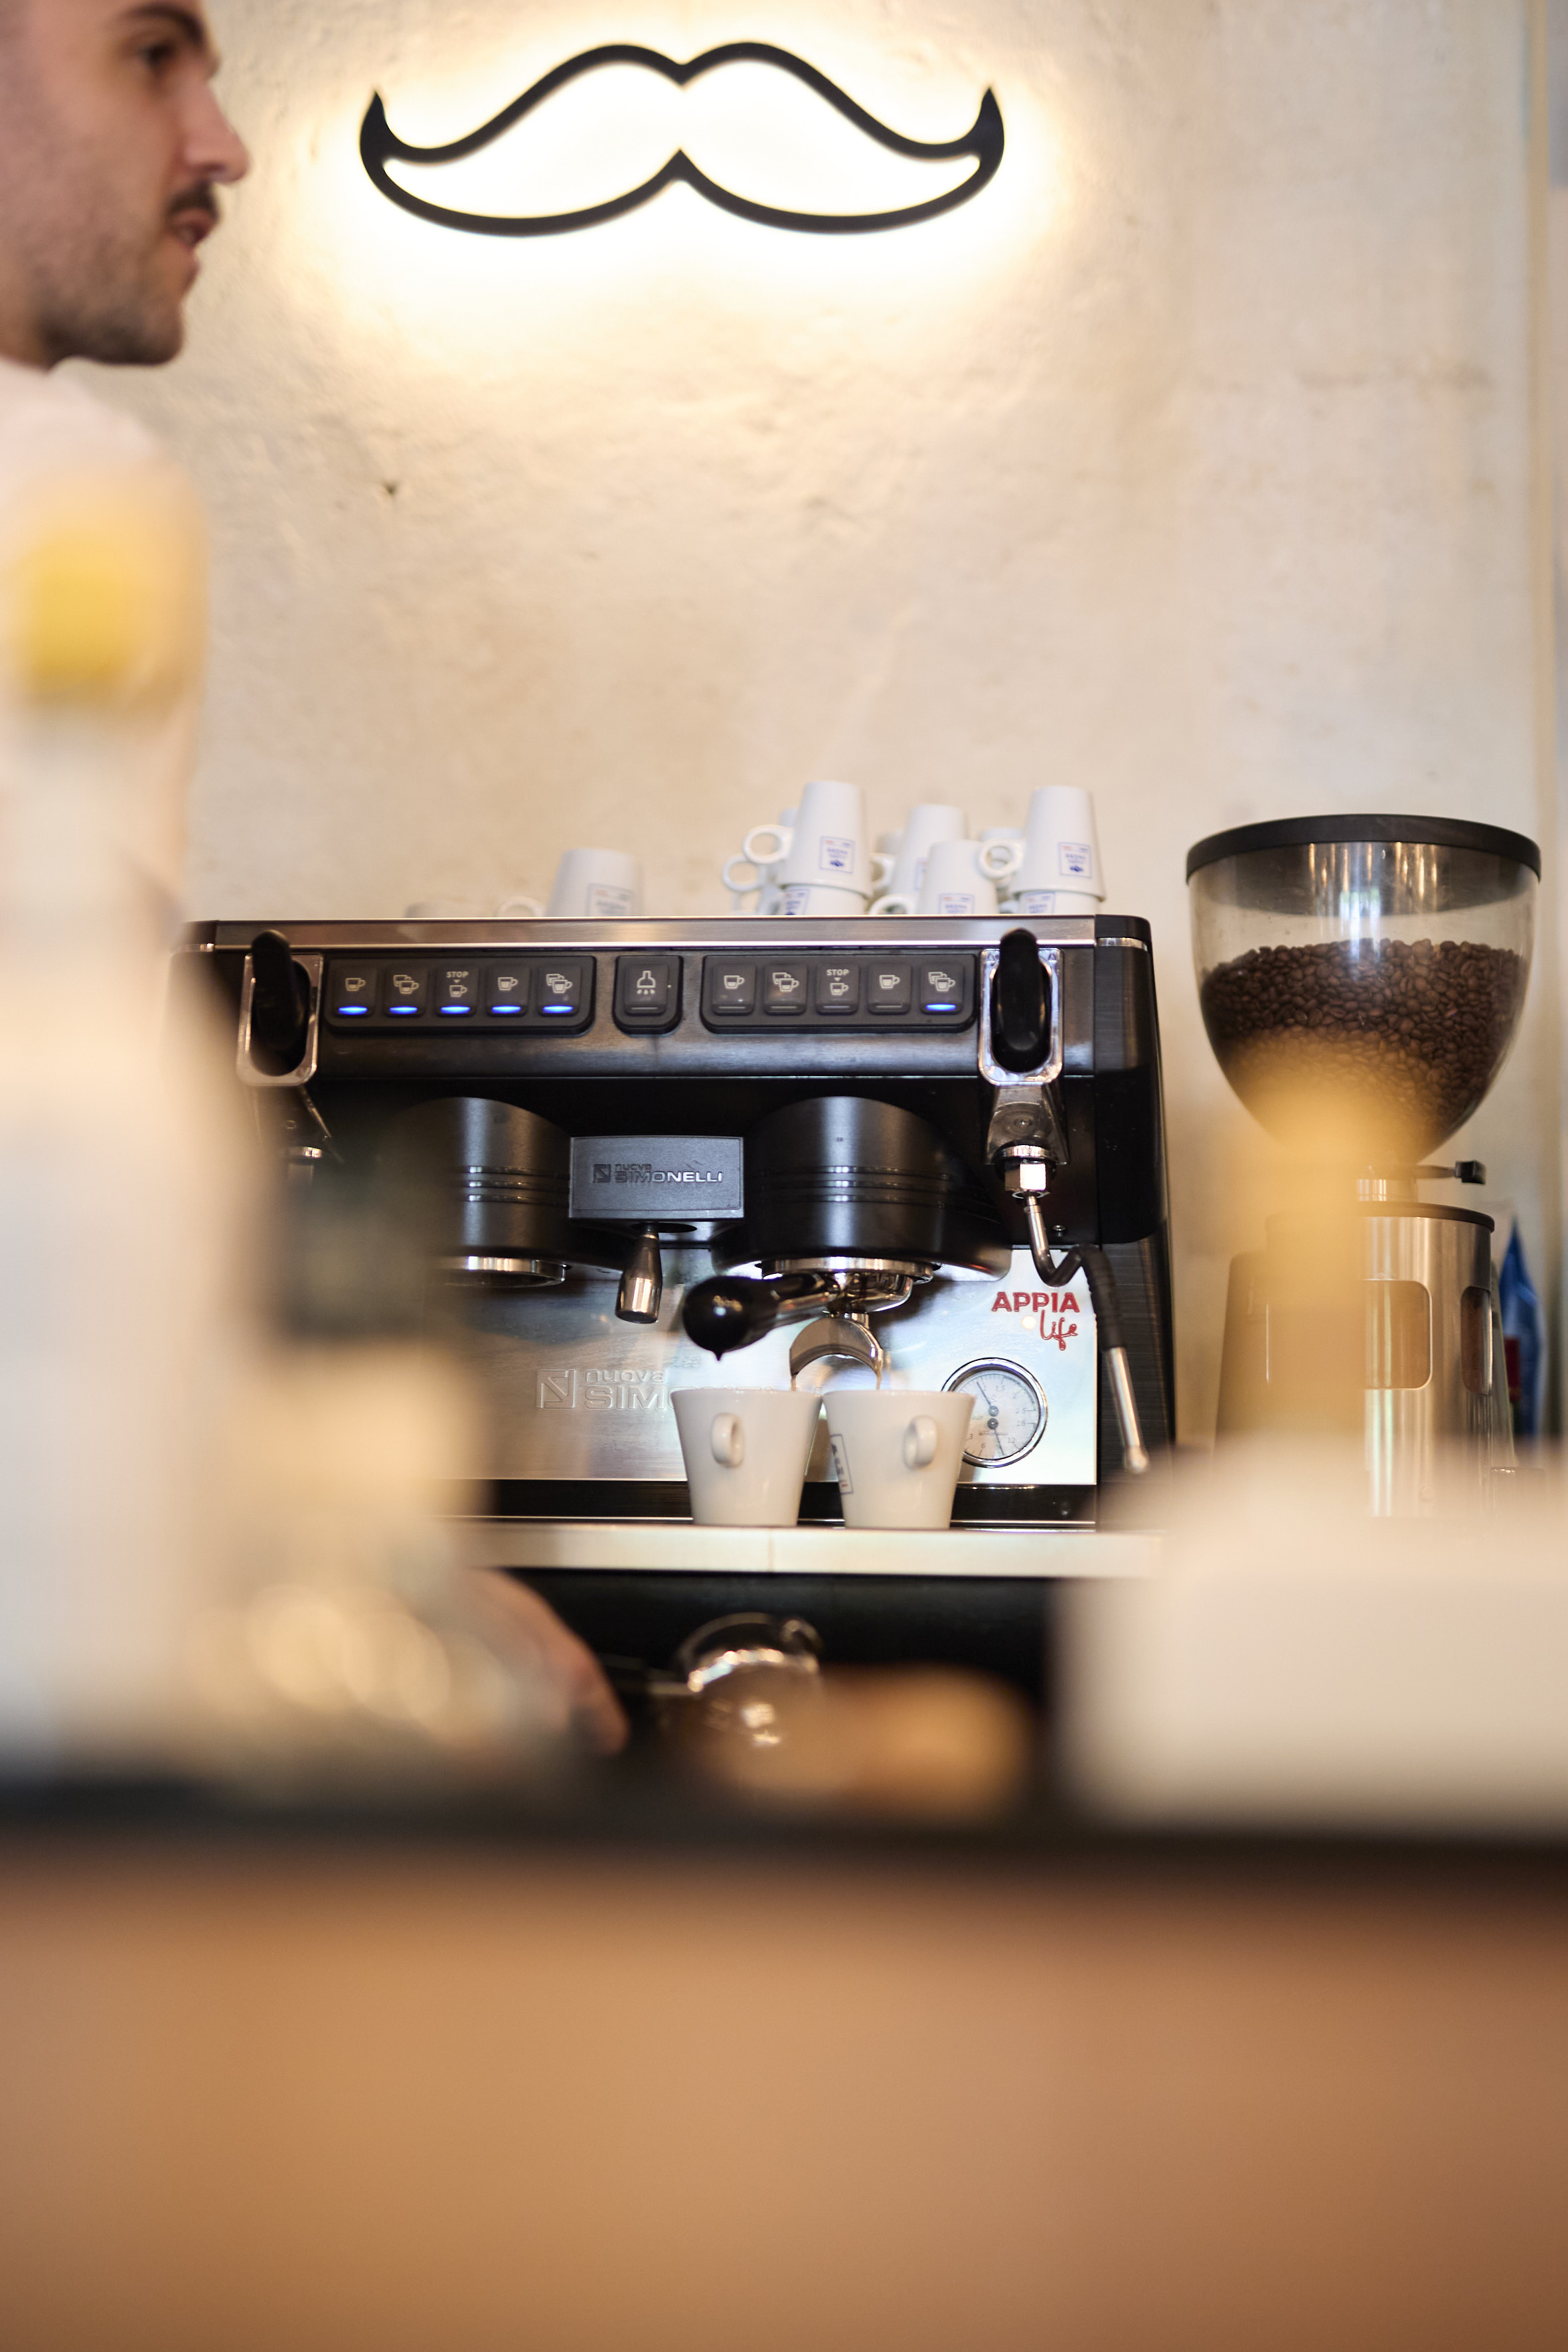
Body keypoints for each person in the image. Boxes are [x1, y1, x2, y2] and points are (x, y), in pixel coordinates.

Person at [0, 1, 628, 1757]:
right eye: (150, 55)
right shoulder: (68, 492)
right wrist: (372, 1573)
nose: (222, 140)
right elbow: (62, 1169)